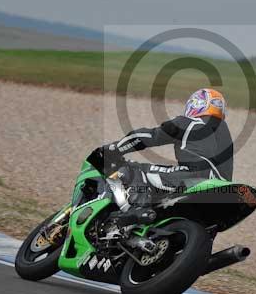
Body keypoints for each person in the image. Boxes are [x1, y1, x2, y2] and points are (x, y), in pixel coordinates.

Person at [87, 88, 233, 225]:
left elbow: (149, 136)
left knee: (130, 171)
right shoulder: (225, 137)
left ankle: (138, 212)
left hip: (194, 176)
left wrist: (113, 149)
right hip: (222, 189)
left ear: (196, 104)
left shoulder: (189, 122)